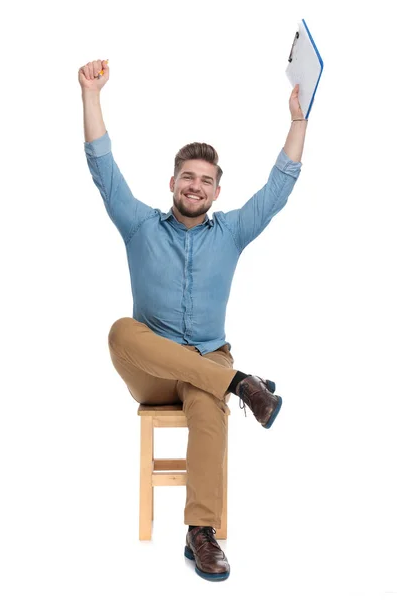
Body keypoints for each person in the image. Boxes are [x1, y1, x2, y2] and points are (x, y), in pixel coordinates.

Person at [78, 58, 308, 582]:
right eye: (188, 177)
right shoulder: (138, 225)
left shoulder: (230, 232)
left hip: (207, 360)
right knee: (120, 331)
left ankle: (199, 533)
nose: (196, 185)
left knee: (209, 407)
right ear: (173, 182)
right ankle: (241, 385)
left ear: (216, 192)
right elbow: (101, 166)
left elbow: (278, 188)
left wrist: (297, 123)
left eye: (206, 180)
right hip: (153, 375)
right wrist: (91, 94)